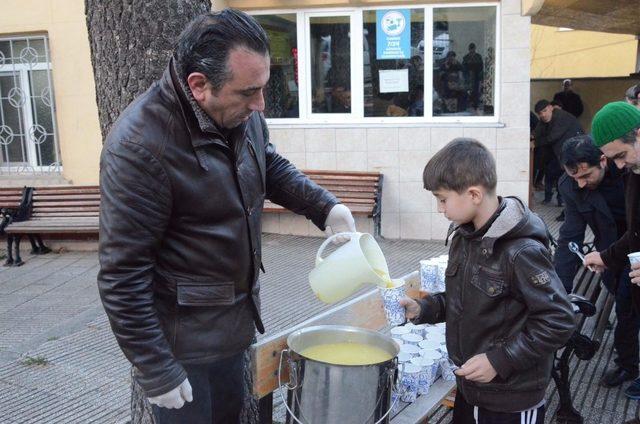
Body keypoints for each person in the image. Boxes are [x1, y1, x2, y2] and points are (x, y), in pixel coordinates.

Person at [97, 10, 357, 423]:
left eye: (264, 89)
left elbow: (266, 164)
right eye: (248, 93)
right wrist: (156, 369)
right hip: (183, 351)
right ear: (199, 86)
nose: (260, 105)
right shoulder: (139, 147)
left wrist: (325, 207)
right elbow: (122, 275)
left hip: (234, 328)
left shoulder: (238, 113)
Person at [400, 138, 575, 423]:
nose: (440, 209)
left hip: (512, 398)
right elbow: (467, 298)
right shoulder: (466, 236)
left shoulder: (521, 251)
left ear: (473, 194)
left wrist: (499, 360)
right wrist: (426, 309)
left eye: (442, 199)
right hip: (472, 389)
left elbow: (559, 320)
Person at [554, 136, 639, 393]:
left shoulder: (627, 169)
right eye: (574, 177)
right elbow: (570, 237)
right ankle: (628, 358)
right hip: (608, 254)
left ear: (603, 161)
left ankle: (628, 364)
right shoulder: (571, 186)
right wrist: (559, 291)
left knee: (627, 303)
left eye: (586, 175)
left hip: (634, 249)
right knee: (624, 305)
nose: (580, 183)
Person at [584, 102, 640, 399]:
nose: (618, 165)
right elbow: (634, 233)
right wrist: (605, 257)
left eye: (621, 155)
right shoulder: (633, 171)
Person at [534, 99, 584, 208]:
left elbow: (552, 137)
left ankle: (565, 204)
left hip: (573, 153)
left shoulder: (561, 117)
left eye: (545, 111)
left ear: (551, 108)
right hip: (559, 153)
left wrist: (535, 143)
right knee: (552, 174)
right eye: (540, 113)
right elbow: (537, 132)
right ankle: (553, 199)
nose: (543, 115)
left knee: (567, 179)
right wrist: (531, 138)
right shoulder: (546, 119)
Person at [462, 43, 483, 110]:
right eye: (471, 49)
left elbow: (481, 66)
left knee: (476, 90)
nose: (472, 50)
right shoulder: (466, 57)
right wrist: (466, 76)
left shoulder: (478, 56)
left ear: (475, 49)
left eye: (473, 48)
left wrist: (479, 75)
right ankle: (468, 104)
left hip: (476, 76)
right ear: (469, 49)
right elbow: (464, 67)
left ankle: (475, 105)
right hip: (468, 77)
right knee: (468, 90)